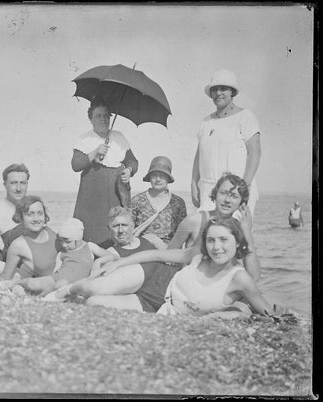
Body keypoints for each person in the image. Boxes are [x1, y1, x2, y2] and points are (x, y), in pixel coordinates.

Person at [63, 174, 261, 313]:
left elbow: (253, 278)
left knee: (94, 303)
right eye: (224, 193)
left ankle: (69, 297)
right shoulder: (195, 221)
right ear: (215, 194)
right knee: (94, 289)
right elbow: (170, 253)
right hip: (164, 276)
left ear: (242, 203)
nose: (227, 199)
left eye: (234, 196)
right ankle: (60, 292)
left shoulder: (237, 232)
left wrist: (247, 232)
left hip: (175, 295)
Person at [156, 217, 272, 318]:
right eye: (211, 240)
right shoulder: (199, 258)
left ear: (237, 242)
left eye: (223, 240)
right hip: (160, 303)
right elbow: (159, 255)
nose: (216, 247)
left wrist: (233, 314)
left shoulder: (239, 278)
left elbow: (270, 315)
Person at [191, 69, 262, 215]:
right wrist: (193, 183)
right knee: (206, 233)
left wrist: (244, 188)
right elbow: (200, 155)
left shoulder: (245, 117)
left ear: (232, 92)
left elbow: (255, 153)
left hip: (235, 192)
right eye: (215, 90)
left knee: (234, 235)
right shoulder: (206, 121)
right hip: (208, 190)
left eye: (223, 89)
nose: (218, 93)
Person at [72, 95, 138, 246]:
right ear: (91, 119)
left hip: (116, 190)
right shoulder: (84, 139)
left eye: (106, 116)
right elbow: (76, 165)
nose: (103, 119)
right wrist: (94, 153)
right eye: (98, 116)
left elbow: (133, 161)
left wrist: (129, 170)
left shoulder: (118, 137)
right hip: (92, 192)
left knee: (115, 227)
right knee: (91, 232)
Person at [11, 218, 116, 297]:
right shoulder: (62, 253)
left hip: (74, 285)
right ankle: (14, 283)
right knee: (33, 284)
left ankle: (40, 297)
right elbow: (56, 271)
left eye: (68, 241)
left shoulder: (89, 246)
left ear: (78, 238)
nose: (64, 245)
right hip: (56, 280)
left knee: (62, 284)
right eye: (61, 241)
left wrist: (98, 262)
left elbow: (112, 256)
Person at [0, 196, 59, 283]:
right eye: (30, 214)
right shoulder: (18, 245)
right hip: (46, 288)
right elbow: (4, 278)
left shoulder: (54, 235)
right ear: (21, 218)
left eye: (40, 213)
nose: (36, 219)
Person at [131, 156, 187, 250]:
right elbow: (128, 228)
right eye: (154, 175)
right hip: (141, 248)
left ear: (168, 178)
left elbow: (183, 234)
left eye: (162, 175)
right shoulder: (137, 200)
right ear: (149, 178)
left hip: (167, 250)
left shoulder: (178, 203)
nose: (158, 179)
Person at [0, 163, 30, 252]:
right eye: (13, 183)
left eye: (22, 183)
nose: (18, 188)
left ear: (27, 184)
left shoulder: (34, 208)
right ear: (5, 185)